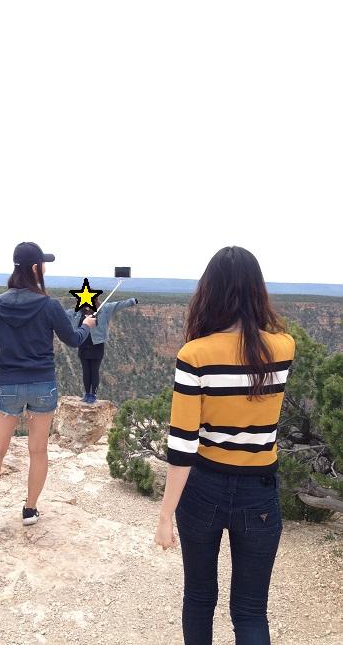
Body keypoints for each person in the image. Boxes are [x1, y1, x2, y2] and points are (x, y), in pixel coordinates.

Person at [154, 246, 295, 645]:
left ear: (210, 292)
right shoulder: (284, 348)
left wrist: (165, 515)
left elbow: (183, 444)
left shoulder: (195, 355)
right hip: (259, 491)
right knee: (250, 611)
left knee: (199, 598)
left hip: (204, 488)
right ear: (257, 290)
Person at [0, 242, 95, 538]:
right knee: (38, 451)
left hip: (9, 383)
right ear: (35, 268)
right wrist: (86, 325)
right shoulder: (49, 305)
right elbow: (73, 340)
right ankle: (30, 509)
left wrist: (5, 377)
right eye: (43, 263)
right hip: (43, 385)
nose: (45, 267)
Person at [66, 295, 138, 403]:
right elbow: (60, 313)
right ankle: (87, 393)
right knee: (86, 371)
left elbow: (118, 305)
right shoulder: (75, 313)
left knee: (94, 370)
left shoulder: (104, 309)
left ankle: (93, 394)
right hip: (83, 345)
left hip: (97, 345)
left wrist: (132, 301)